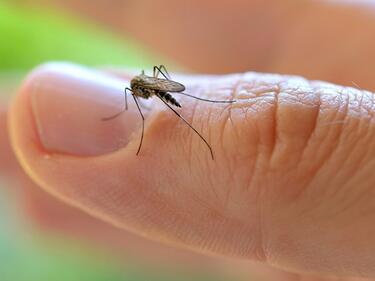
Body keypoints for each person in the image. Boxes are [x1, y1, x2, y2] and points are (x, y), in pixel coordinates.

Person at [1, 1, 375, 280]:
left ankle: (190, 114)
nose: (134, 94)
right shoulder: (137, 88)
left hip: (171, 91)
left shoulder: (142, 87)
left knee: (165, 104)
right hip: (165, 89)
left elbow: (151, 89)